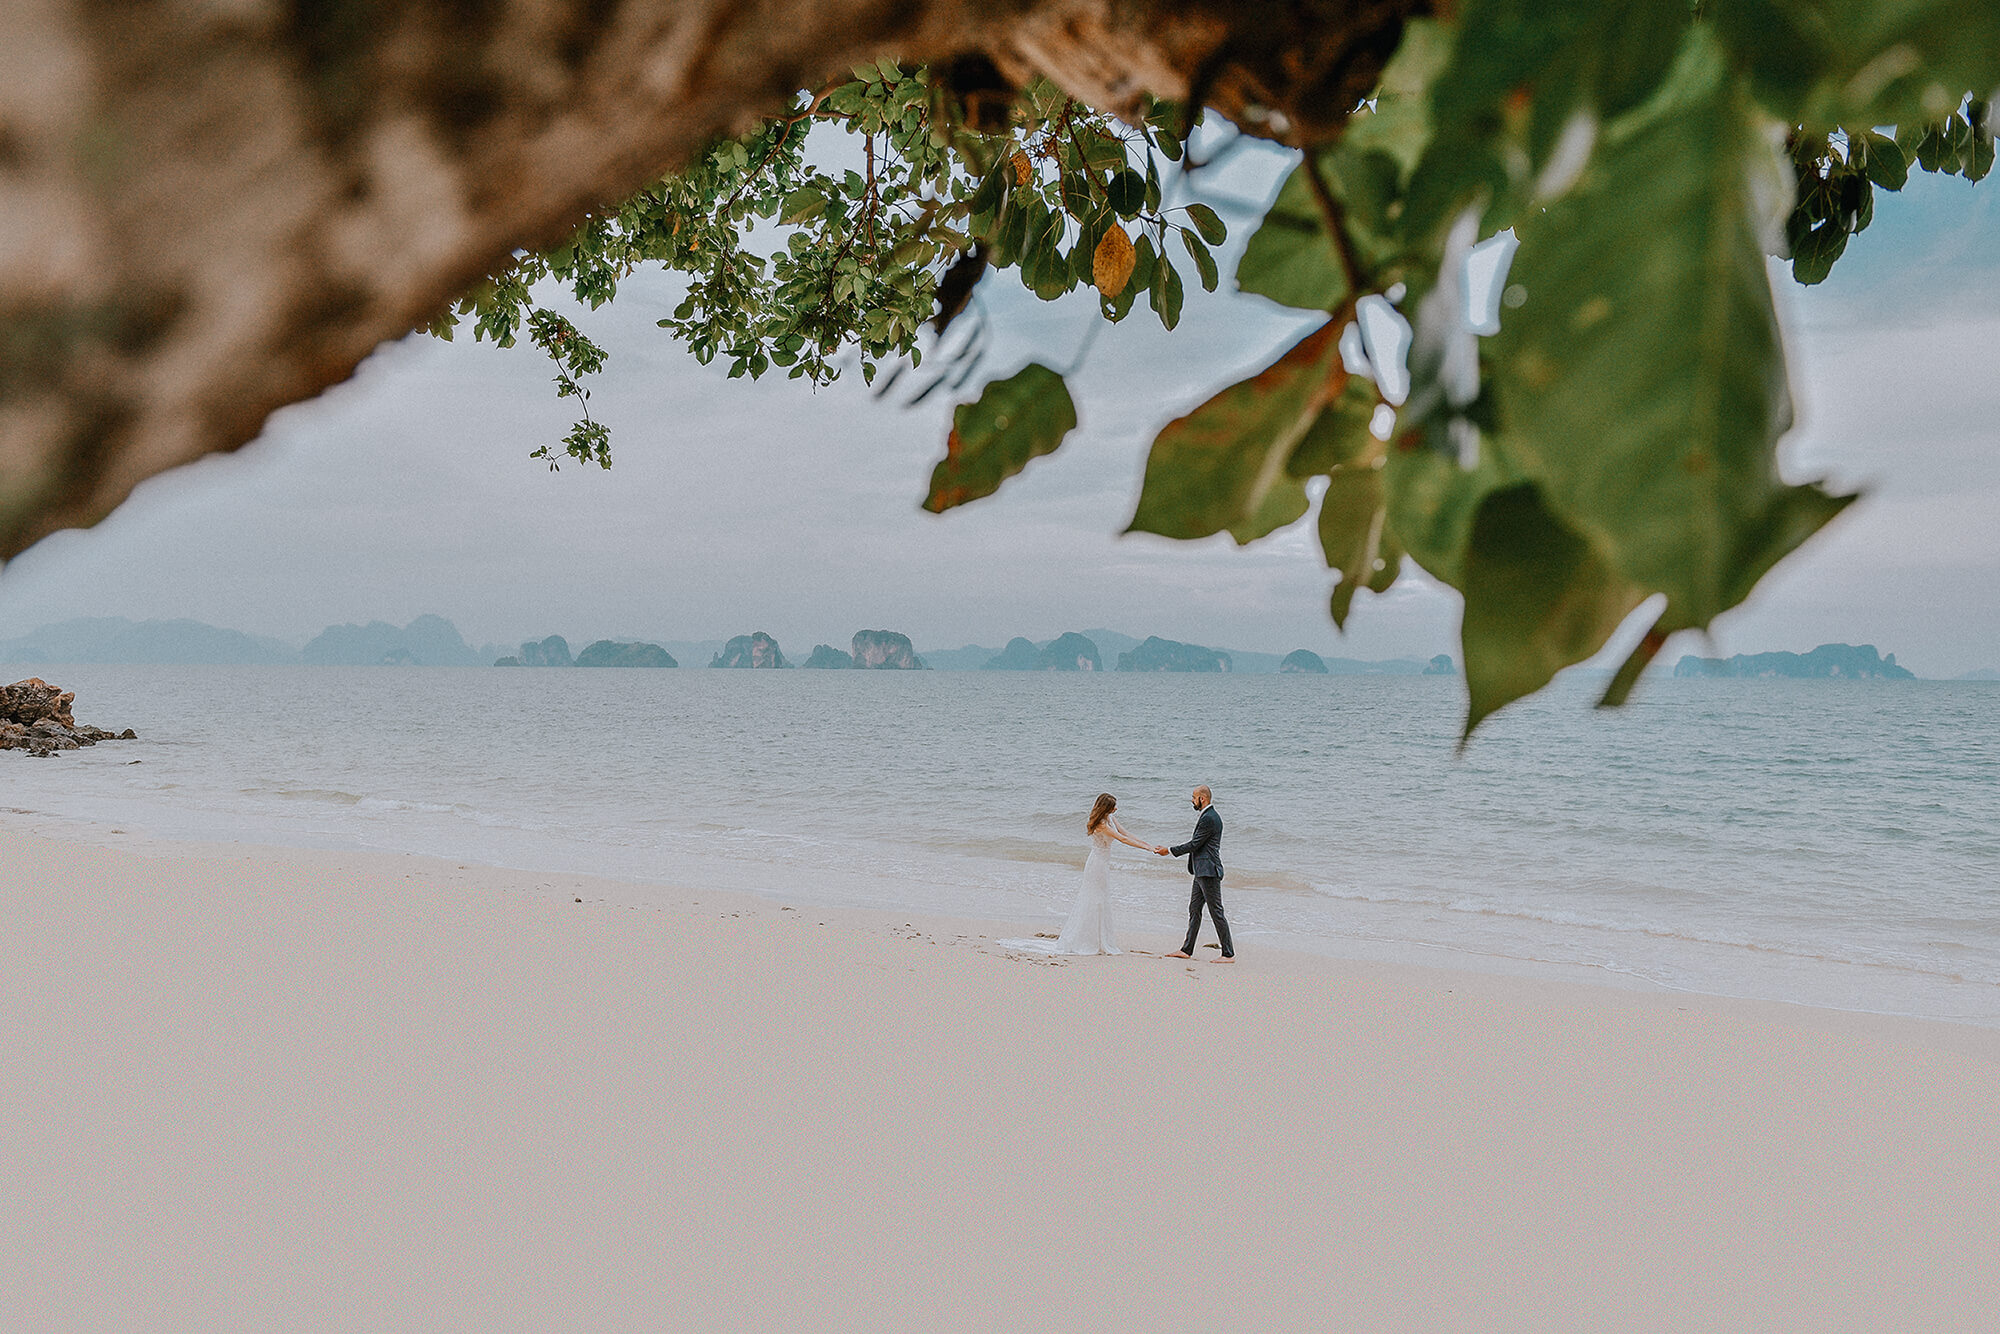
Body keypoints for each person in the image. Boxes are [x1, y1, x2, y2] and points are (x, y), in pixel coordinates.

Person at [1001, 793, 1164, 956]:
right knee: (1094, 899)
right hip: (1097, 864)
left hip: (1103, 863)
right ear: (1105, 808)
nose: (1116, 808)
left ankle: (1099, 939)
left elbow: (1127, 833)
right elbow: (1122, 839)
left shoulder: (1110, 818)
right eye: (1113, 806)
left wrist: (1148, 845)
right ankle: (1088, 940)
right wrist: (1147, 849)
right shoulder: (1101, 824)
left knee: (1101, 899)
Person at [1160, 784, 1231, 960]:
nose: (1192, 800)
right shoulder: (1207, 815)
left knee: (1216, 912)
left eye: (1194, 797)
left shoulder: (1210, 818)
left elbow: (1194, 844)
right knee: (1194, 909)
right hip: (1200, 871)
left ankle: (1228, 954)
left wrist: (1168, 850)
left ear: (1203, 798)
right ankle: (1186, 950)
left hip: (1209, 872)